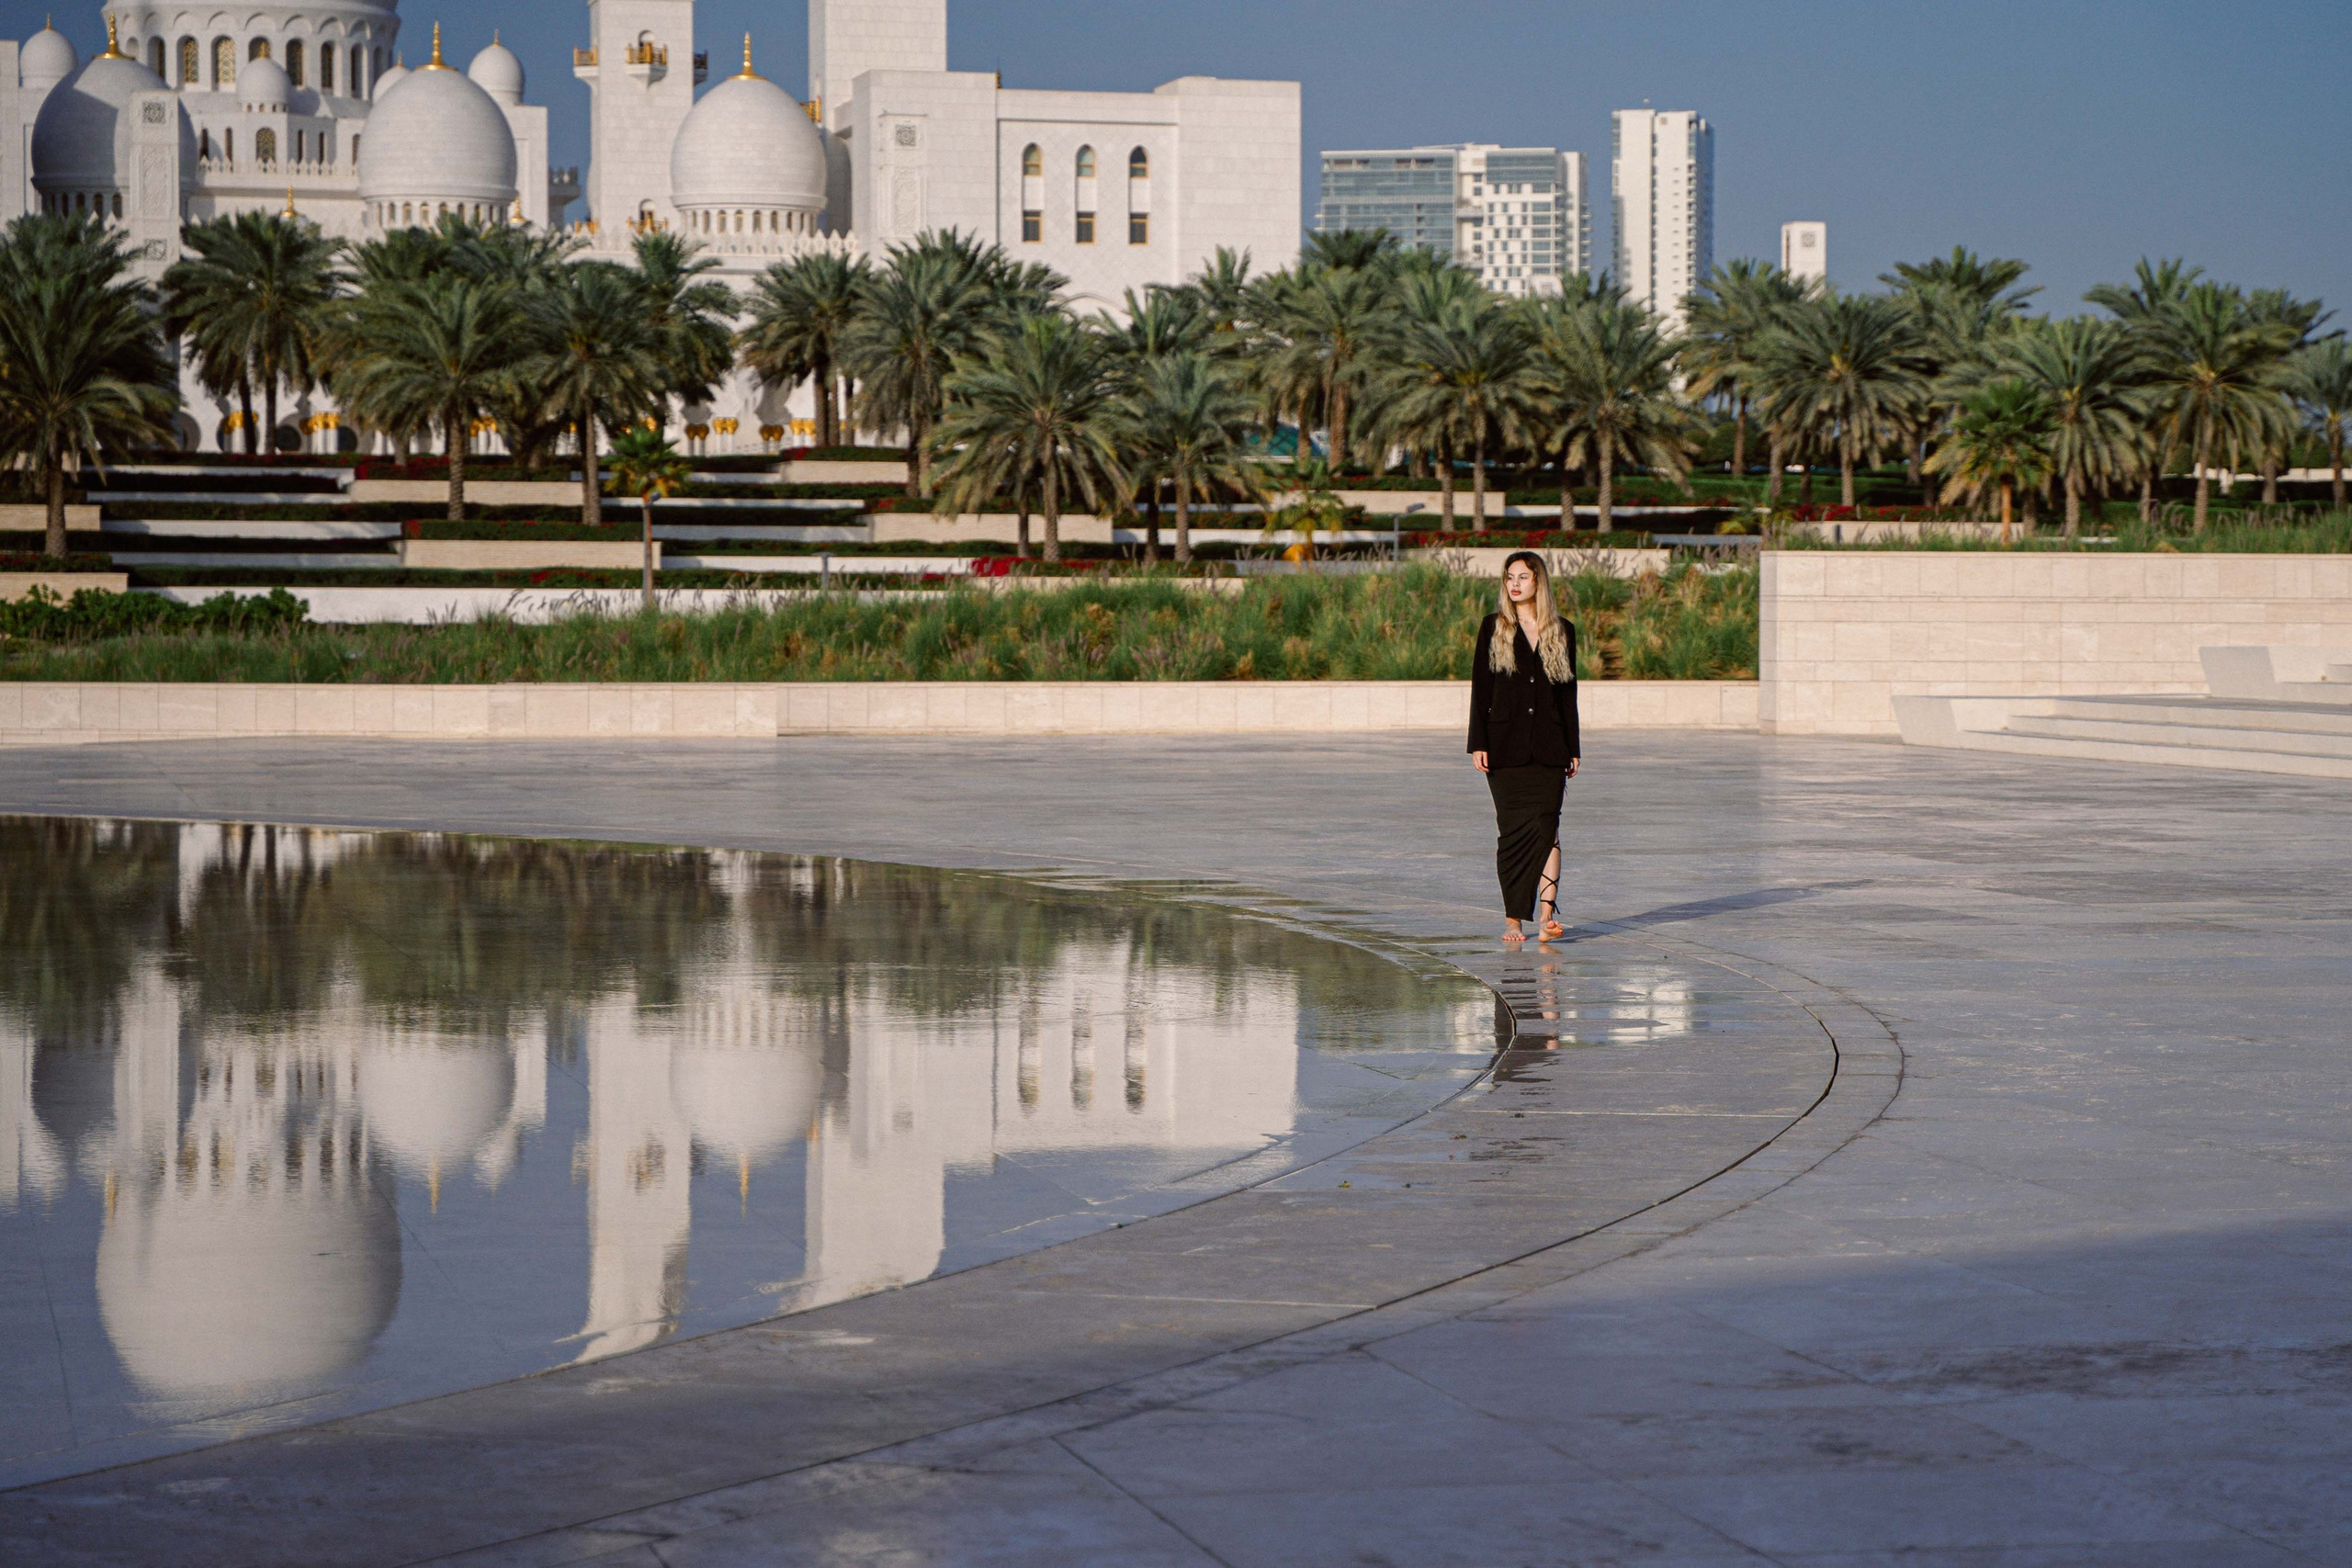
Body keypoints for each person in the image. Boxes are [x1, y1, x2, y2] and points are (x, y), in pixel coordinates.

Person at [1468, 551, 1580, 942]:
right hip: (1504, 748)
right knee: (1512, 834)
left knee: (1548, 828)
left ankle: (1548, 918)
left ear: (1538, 582)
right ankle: (1514, 919)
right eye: (1509, 577)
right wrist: (1477, 742)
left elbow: (1568, 695)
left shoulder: (1562, 630)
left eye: (1523, 577)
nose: (1515, 584)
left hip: (1550, 749)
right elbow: (1481, 688)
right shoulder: (1493, 627)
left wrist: (1573, 747)